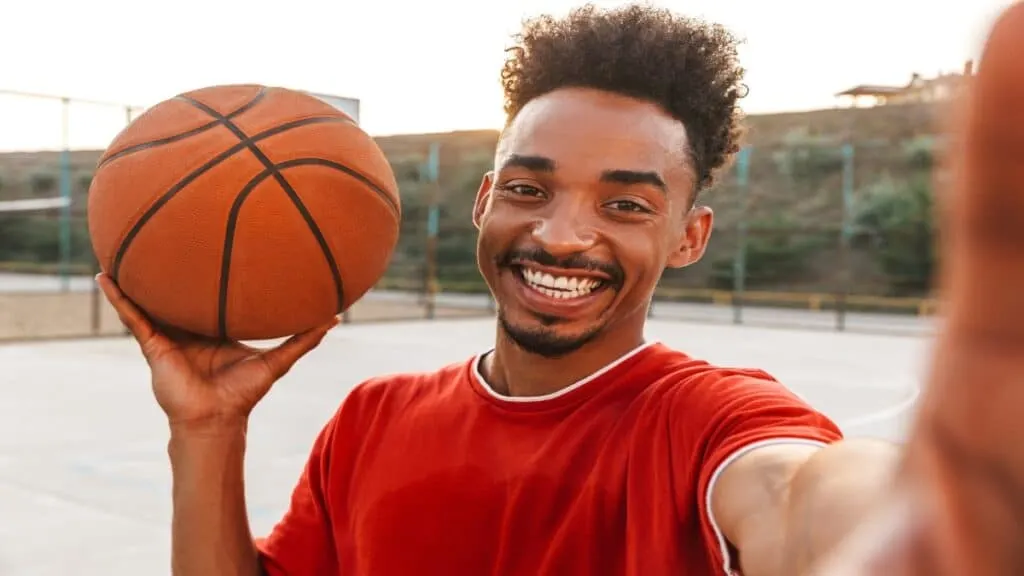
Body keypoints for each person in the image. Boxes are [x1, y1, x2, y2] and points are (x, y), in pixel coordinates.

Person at [97, 2, 1024, 575]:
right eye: (529, 188)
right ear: (484, 199)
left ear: (688, 236)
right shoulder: (370, 421)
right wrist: (208, 435)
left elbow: (805, 494)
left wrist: (928, 528)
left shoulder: (712, 423)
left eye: (625, 203)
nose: (560, 234)